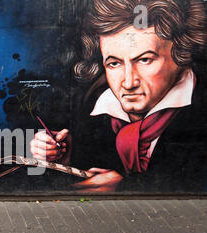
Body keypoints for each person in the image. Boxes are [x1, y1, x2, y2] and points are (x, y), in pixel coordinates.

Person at [30, 0, 207, 193]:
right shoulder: (90, 106)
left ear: (181, 53)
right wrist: (64, 156)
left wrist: (125, 188)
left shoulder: (201, 105)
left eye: (145, 60)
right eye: (114, 63)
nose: (129, 83)